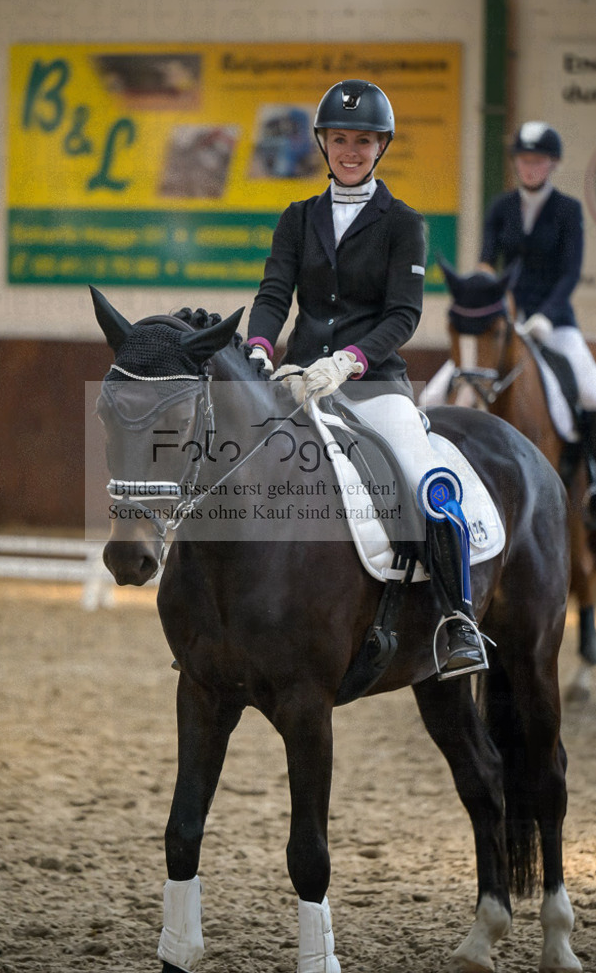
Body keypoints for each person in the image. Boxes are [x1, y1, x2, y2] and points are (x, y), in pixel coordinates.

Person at [246, 78, 487, 678]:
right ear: (324, 144)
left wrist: (348, 361)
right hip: (300, 380)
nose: (350, 150)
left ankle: (457, 621)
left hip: (373, 384)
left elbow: (403, 314)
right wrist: (258, 348)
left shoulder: (405, 223)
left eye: (363, 140)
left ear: (381, 147)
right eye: (340, 138)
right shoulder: (297, 218)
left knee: (425, 481)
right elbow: (275, 294)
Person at [477, 121, 596, 511]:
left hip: (554, 321)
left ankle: (592, 480)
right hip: (506, 324)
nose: (531, 168)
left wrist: (545, 314)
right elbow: (485, 261)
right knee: (436, 390)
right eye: (525, 160)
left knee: (591, 391)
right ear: (516, 164)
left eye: (539, 160)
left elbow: (570, 271)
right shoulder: (500, 207)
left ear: (552, 164)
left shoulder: (567, 210)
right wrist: (486, 291)